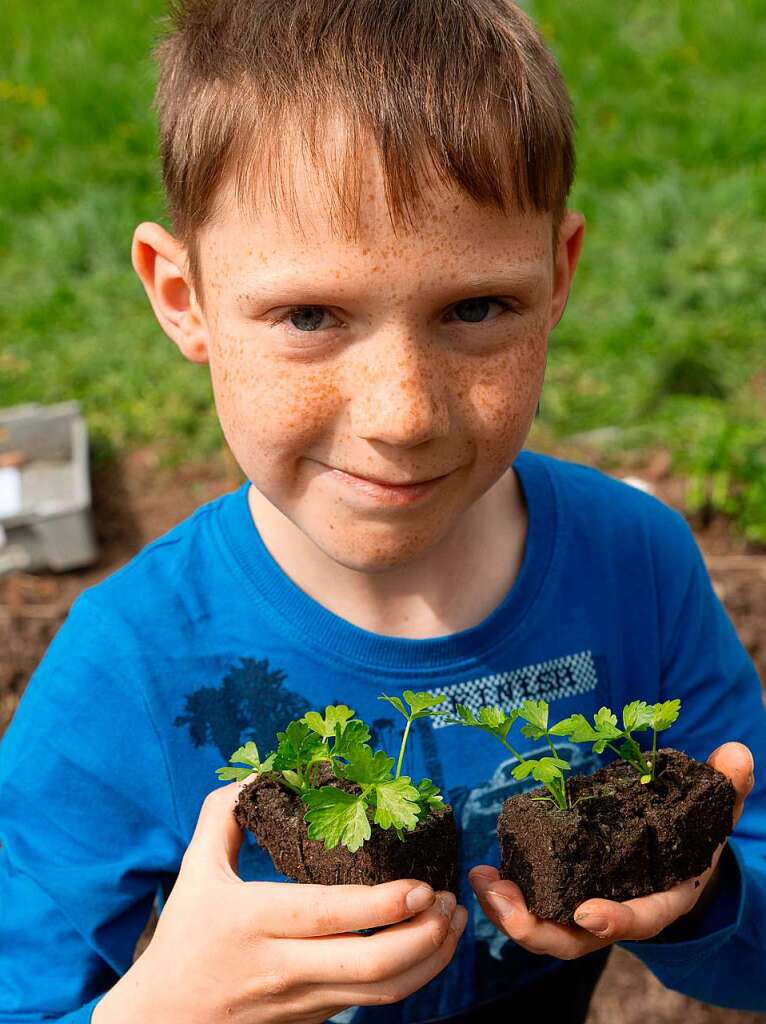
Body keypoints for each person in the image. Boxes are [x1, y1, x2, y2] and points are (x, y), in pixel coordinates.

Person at [0, 1, 763, 1021]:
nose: (402, 415)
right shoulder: (130, 665)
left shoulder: (636, 566)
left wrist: (705, 895)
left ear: (557, 275)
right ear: (182, 297)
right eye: (310, 315)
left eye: (475, 309)